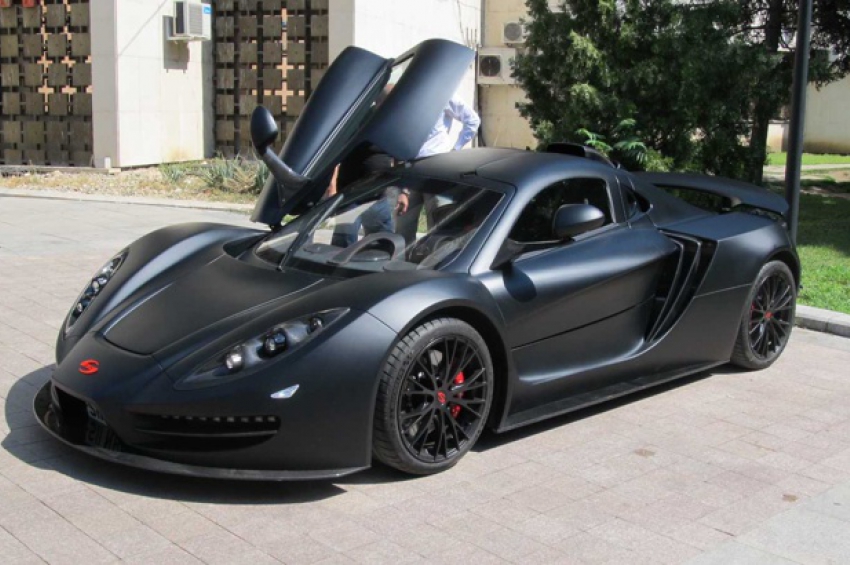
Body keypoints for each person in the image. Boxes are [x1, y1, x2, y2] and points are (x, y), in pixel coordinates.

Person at [396, 95, 481, 243]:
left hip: (436, 168)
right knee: (403, 229)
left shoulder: (443, 95)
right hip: (411, 170)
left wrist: (456, 149)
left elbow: (473, 120)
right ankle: (404, 257)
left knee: (438, 227)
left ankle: (434, 257)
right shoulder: (408, 97)